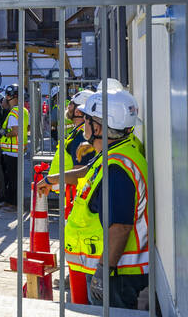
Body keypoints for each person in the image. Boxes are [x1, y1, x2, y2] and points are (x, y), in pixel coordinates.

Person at [38, 88, 147, 310]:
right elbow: (88, 170)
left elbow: (120, 227)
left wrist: (102, 273)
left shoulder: (116, 169)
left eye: (86, 119)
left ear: (97, 127)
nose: (82, 125)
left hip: (115, 271)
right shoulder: (119, 150)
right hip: (113, 268)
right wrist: (52, 179)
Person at [47, 88, 96, 304]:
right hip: (69, 193)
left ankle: (80, 279)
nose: (67, 107)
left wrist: (53, 180)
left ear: (79, 111)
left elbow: (81, 171)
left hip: (76, 194)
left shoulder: (80, 139)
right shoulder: (77, 133)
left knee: (78, 240)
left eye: (71, 104)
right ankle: (75, 276)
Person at [0, 84, 29, 212]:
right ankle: (9, 202)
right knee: (12, 179)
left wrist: (4, 133)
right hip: (18, 150)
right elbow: (27, 129)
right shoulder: (23, 110)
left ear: (9, 97)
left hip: (12, 151)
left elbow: (15, 131)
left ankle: (15, 204)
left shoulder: (13, 113)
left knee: (13, 179)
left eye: (5, 97)